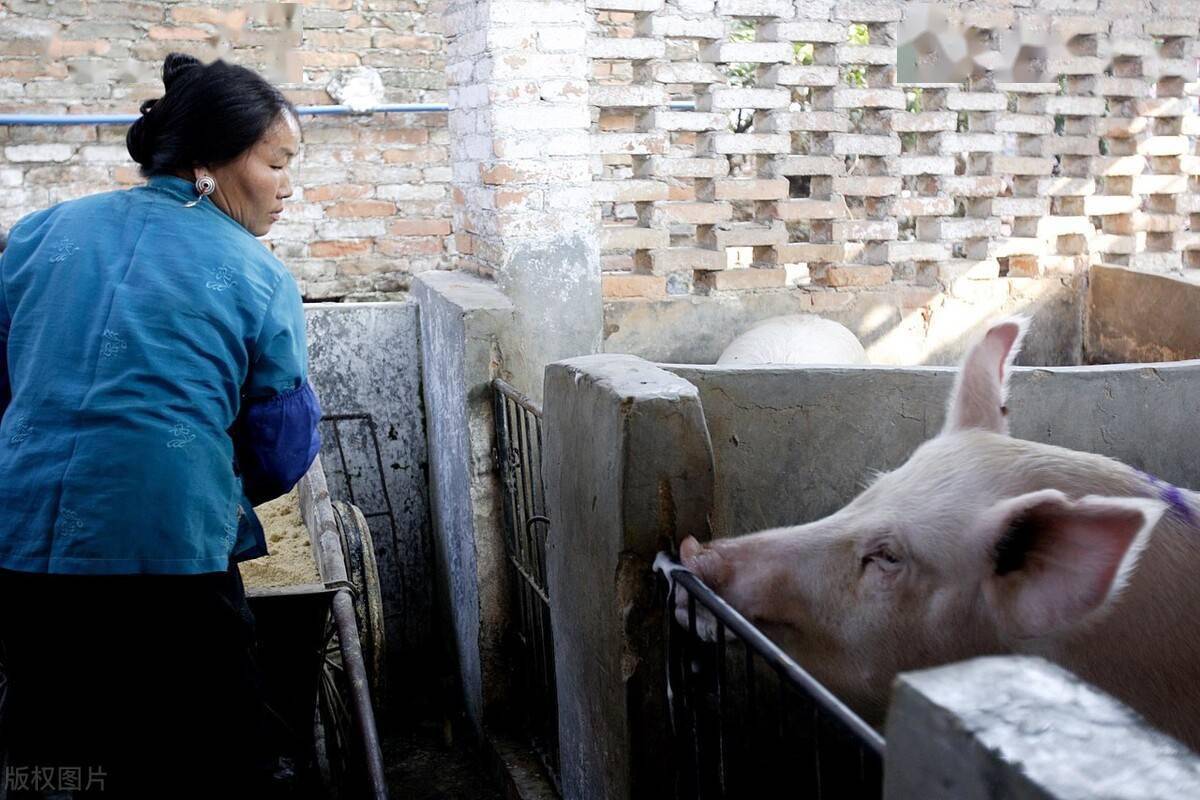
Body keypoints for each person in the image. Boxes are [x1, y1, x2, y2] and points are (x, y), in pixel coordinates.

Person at [0, 53, 321, 797]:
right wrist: (199, 476)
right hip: (169, 552)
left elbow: (12, 380)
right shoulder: (255, 270)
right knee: (201, 754)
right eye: (278, 163)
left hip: (25, 543)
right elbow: (281, 447)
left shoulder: (38, 234)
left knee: (55, 747)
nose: (288, 187)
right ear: (212, 159)